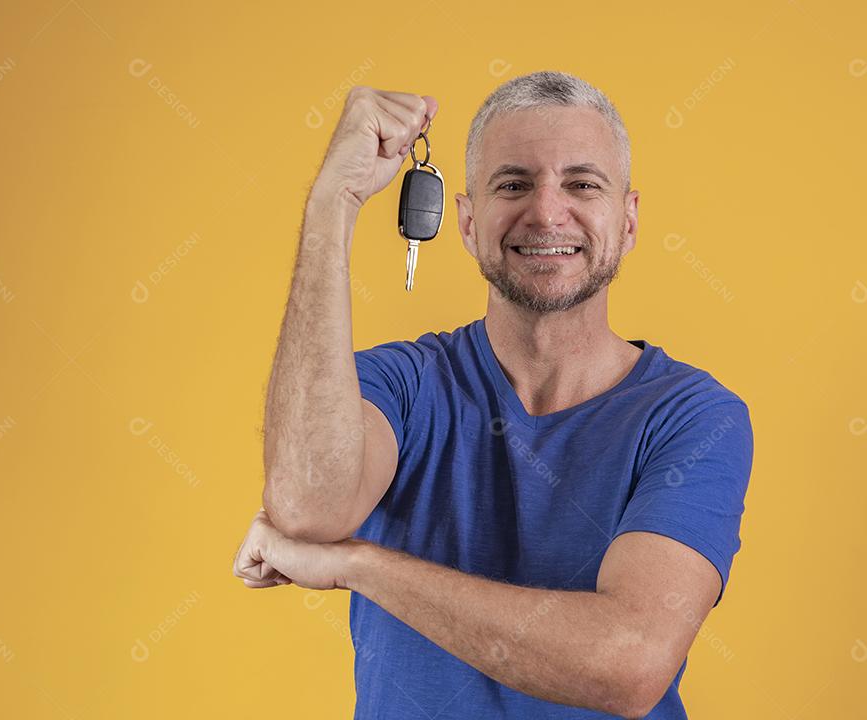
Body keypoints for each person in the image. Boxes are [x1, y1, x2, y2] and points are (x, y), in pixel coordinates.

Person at [233, 70, 754, 720]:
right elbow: (306, 511)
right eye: (514, 184)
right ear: (467, 221)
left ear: (628, 221)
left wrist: (361, 565)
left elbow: (630, 662)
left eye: (582, 184)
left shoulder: (693, 417)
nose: (545, 211)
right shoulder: (401, 385)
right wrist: (331, 204)